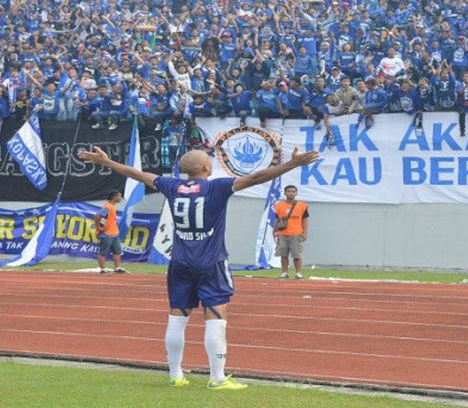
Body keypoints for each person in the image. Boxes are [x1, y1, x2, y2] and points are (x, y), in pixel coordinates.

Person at [78, 145, 319, 389]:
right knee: (215, 317)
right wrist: (292, 164)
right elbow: (256, 177)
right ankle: (217, 377)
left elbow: (139, 175)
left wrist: (108, 163)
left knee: (177, 316)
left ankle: (175, 374)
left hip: (180, 261)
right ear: (206, 167)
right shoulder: (217, 186)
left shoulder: (171, 186)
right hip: (211, 261)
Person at [273, 185, 310, 280]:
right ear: (285, 193)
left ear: (296, 193)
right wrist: (274, 231)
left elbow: (305, 220)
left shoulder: (302, 205)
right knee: (283, 254)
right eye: (288, 191)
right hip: (283, 234)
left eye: (293, 191)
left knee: (297, 255)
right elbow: (277, 220)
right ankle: (284, 272)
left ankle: (298, 273)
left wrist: (305, 233)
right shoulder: (279, 205)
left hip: (296, 233)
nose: (291, 193)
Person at [94, 189, 128, 274]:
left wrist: (102, 224)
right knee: (103, 252)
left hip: (114, 234)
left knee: (117, 251)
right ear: (114, 197)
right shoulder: (108, 206)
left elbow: (104, 218)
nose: (121, 197)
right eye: (119, 196)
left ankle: (118, 268)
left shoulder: (112, 207)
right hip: (106, 234)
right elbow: (98, 216)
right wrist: (99, 226)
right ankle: (103, 269)